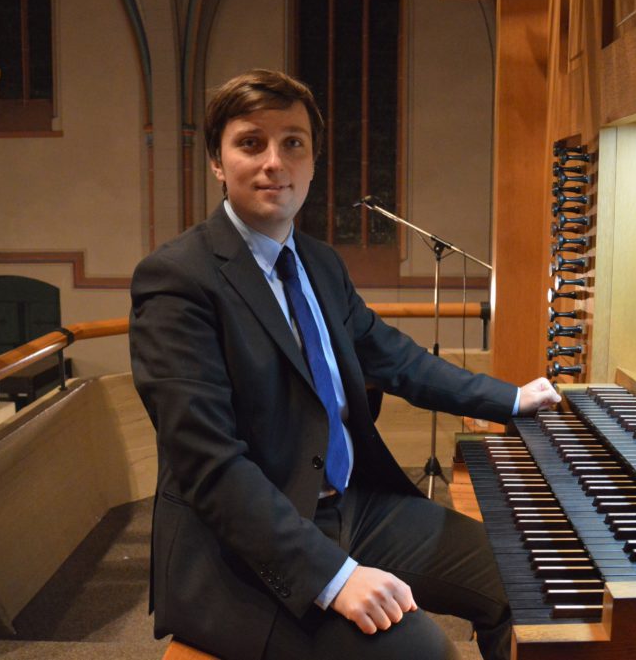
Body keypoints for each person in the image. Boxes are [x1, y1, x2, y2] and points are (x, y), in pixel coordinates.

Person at [129, 69, 561, 660]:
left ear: (313, 161)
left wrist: (509, 399)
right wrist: (333, 578)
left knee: (529, 583)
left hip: (354, 506)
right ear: (216, 161)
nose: (274, 162)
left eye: (293, 143)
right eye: (251, 143)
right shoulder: (178, 279)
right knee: (425, 652)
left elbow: (399, 360)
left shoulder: (319, 263)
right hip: (244, 552)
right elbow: (209, 464)